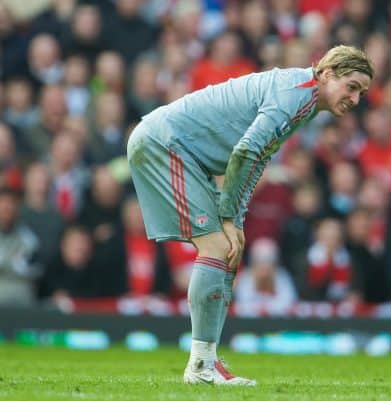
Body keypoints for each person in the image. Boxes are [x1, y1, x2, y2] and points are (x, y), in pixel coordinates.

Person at [126, 45, 373, 385]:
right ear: (328, 74)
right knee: (216, 247)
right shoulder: (296, 94)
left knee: (226, 252)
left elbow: (257, 158)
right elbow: (246, 152)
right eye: (353, 86)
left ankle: (207, 361)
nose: (356, 98)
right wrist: (229, 218)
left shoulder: (304, 97)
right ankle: (200, 365)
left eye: (362, 92)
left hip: (180, 150)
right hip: (165, 143)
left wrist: (236, 219)